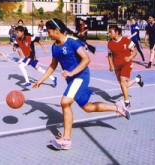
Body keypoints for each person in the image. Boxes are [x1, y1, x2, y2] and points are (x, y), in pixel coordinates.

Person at [33, 18, 131, 150]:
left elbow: (86, 59)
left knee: (65, 102)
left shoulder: (72, 42)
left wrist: (72, 72)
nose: (47, 34)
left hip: (81, 76)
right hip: (72, 79)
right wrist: (41, 80)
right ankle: (118, 108)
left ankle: (66, 140)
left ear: (56, 31)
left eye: (49, 31)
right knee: (87, 107)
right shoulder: (54, 47)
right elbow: (53, 65)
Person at [108, 25, 144, 108]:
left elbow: (135, 52)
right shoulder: (110, 43)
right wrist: (111, 65)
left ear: (116, 32)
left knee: (123, 82)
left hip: (126, 64)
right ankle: (137, 79)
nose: (109, 33)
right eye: (109, 32)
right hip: (117, 65)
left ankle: (127, 102)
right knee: (124, 85)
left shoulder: (126, 40)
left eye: (111, 32)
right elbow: (110, 55)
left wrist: (130, 57)